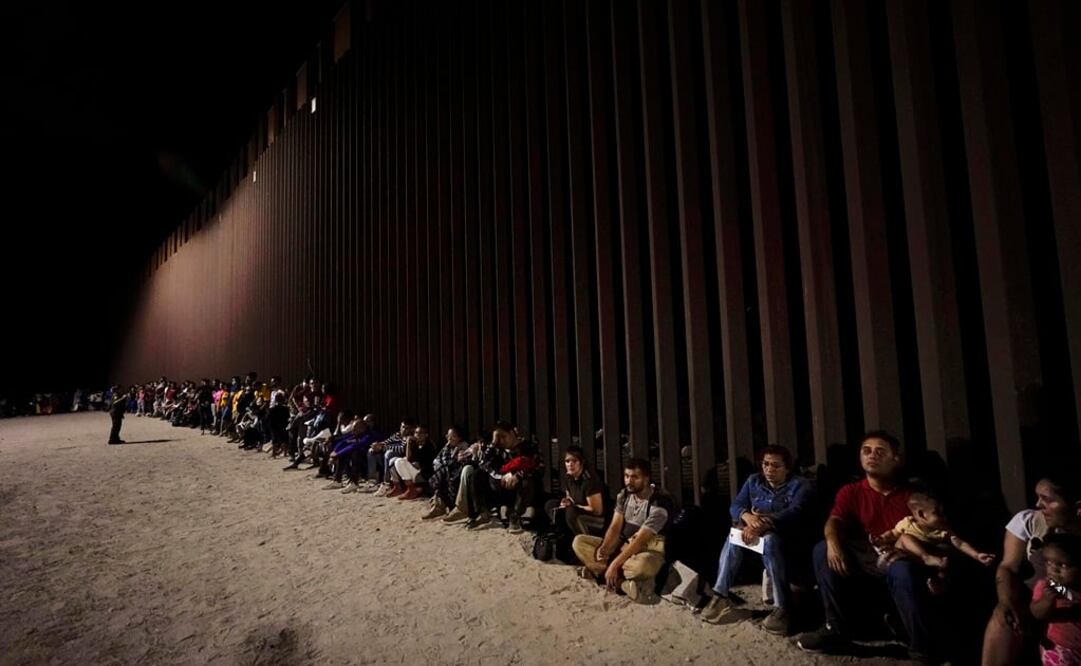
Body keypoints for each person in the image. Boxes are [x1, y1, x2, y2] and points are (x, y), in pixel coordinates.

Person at [797, 431, 940, 661]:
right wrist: (833, 543)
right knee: (822, 549)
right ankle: (835, 629)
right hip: (866, 554)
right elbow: (835, 521)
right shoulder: (851, 491)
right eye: (866, 451)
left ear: (896, 459)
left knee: (902, 569)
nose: (872, 455)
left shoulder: (912, 496)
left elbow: (934, 534)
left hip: (900, 556)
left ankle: (921, 647)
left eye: (880, 451)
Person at [699, 444, 814, 635]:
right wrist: (748, 517)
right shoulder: (754, 481)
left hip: (786, 537)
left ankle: (782, 607)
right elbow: (736, 505)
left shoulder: (799, 485)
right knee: (733, 537)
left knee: (770, 541)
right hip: (755, 533)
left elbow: (795, 512)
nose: (769, 469)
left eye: (776, 466)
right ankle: (720, 595)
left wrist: (764, 522)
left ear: (787, 468)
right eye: (766, 464)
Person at [983, 471, 1081, 665]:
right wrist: (1005, 600)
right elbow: (1008, 566)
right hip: (1035, 604)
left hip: (1072, 609)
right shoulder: (1031, 521)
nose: (1038, 505)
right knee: (1002, 618)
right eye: (1038, 497)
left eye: (1047, 500)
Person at [571, 457, 672, 604]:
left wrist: (614, 564)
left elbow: (640, 541)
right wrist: (604, 548)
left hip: (648, 549)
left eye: (634, 477)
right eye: (627, 476)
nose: (629, 481)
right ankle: (622, 583)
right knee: (579, 542)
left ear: (646, 479)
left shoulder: (659, 504)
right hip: (622, 546)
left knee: (642, 566)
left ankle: (604, 573)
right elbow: (615, 526)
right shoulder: (624, 495)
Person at [875, 491, 996, 594]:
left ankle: (937, 585)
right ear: (921, 514)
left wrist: (976, 555)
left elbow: (960, 543)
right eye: (938, 513)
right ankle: (926, 558)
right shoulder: (908, 523)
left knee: (944, 564)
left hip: (926, 563)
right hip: (906, 555)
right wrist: (881, 539)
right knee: (905, 537)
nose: (944, 517)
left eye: (944, 513)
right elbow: (892, 534)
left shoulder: (942, 530)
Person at [1029, 533, 1081, 666]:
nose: (1053, 569)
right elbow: (1036, 613)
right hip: (1059, 648)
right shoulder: (1046, 586)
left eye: (1063, 565)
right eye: (1048, 562)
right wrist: (1046, 601)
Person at [544, 445, 605, 536]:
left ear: (581, 462)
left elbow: (597, 510)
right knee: (551, 504)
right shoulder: (569, 477)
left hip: (595, 520)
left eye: (574, 461)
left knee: (571, 512)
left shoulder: (589, 481)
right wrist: (565, 502)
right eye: (567, 461)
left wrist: (575, 506)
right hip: (576, 509)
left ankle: (582, 539)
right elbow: (569, 497)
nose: (570, 464)